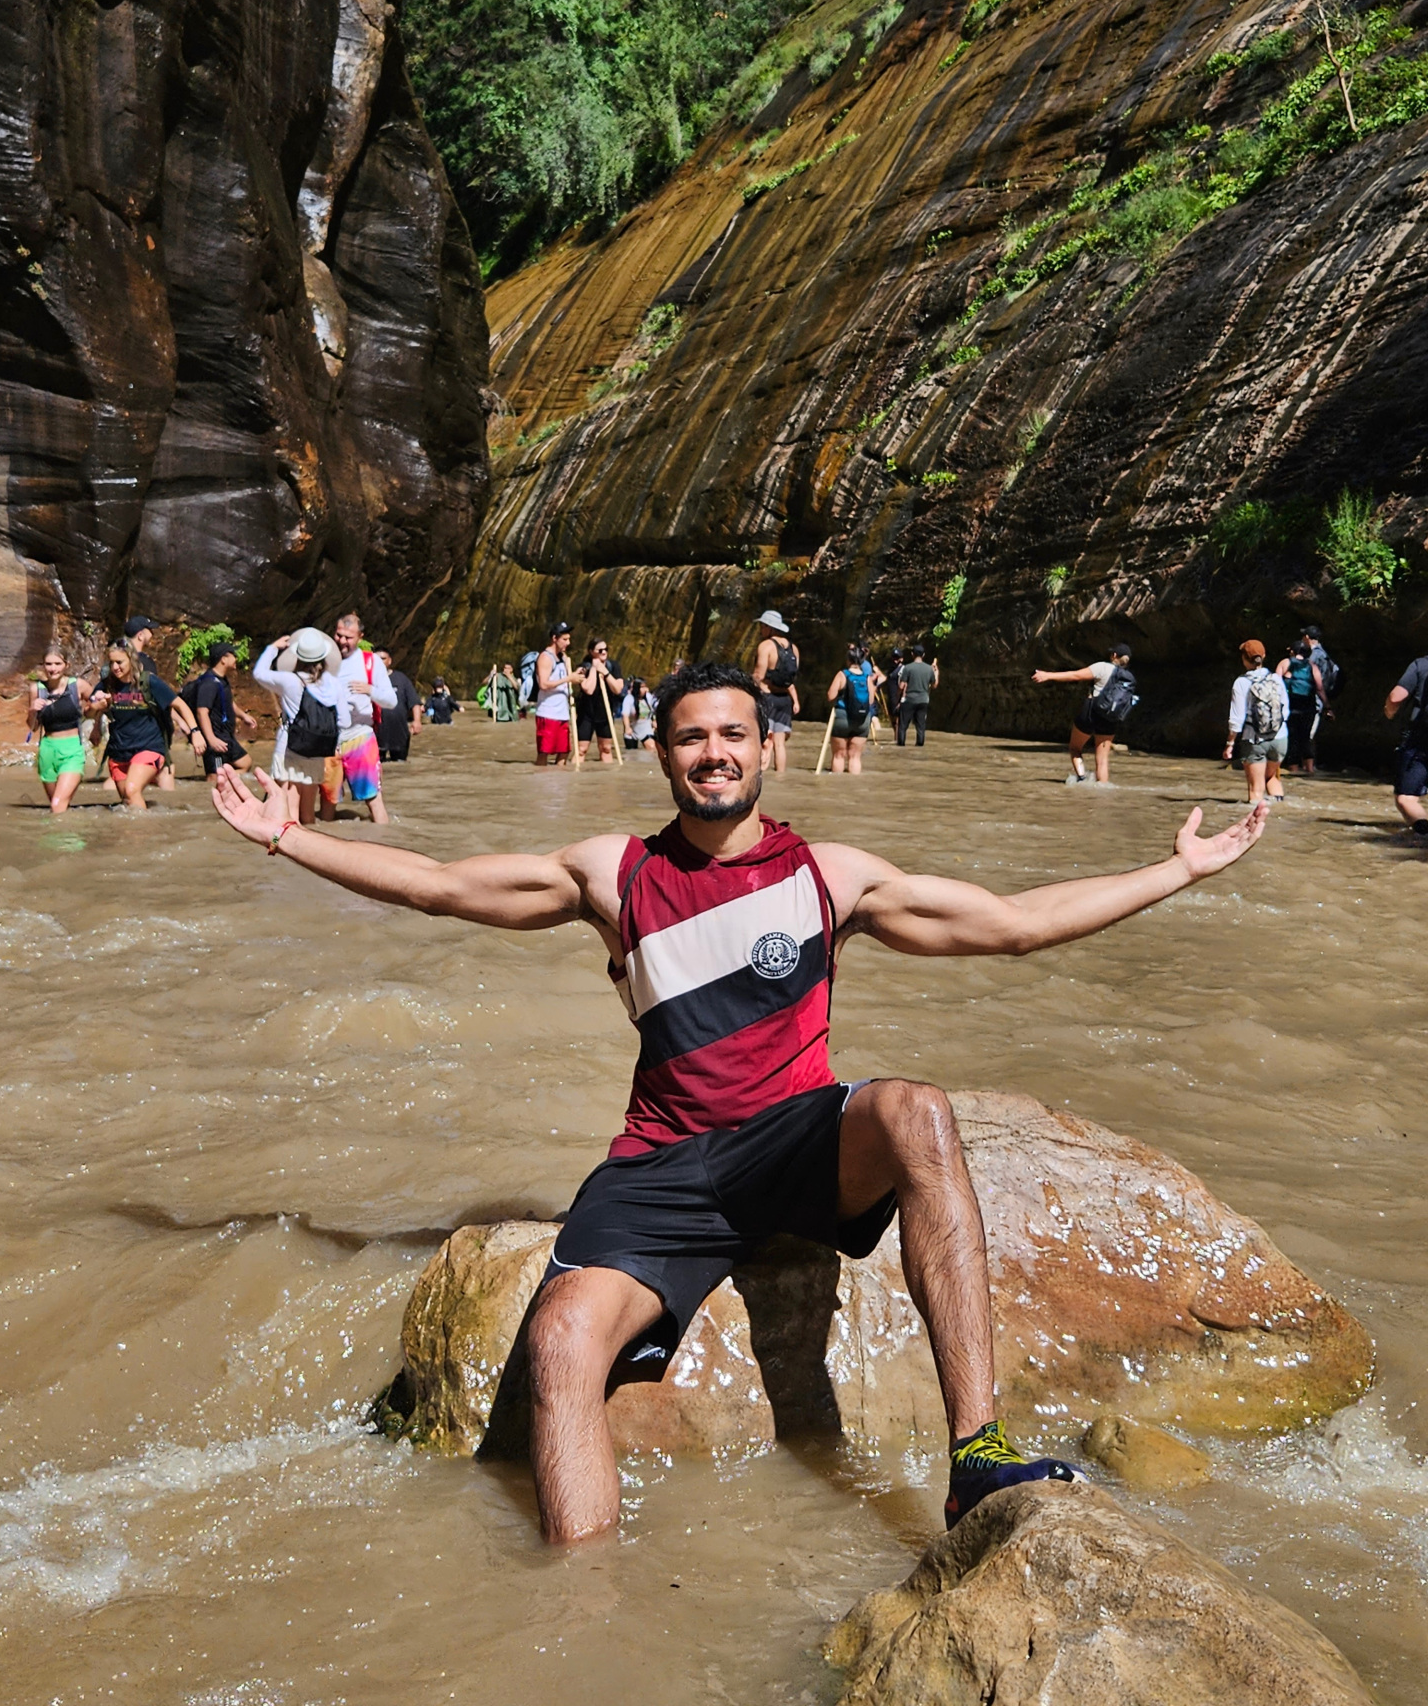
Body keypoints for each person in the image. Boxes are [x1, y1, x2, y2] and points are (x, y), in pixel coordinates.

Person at [208, 661, 1268, 1544]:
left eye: (731, 735)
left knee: (915, 1111)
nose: (712, 753)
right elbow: (442, 887)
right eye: (690, 738)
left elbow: (1015, 924)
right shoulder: (613, 875)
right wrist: (286, 839)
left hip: (794, 1145)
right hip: (661, 1165)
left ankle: (977, 1456)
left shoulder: (830, 877)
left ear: (766, 749)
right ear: (661, 755)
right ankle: (581, 1617)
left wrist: (1176, 872)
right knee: (563, 1336)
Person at [88, 640, 201, 810]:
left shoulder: (149, 682)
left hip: (149, 746)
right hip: (119, 750)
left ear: (131, 659)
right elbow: (88, 713)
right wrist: (95, 707)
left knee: (132, 790)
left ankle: (142, 827)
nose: (115, 667)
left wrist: (195, 731)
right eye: (111, 663)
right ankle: (144, 824)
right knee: (127, 800)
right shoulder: (107, 684)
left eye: (119, 662)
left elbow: (180, 705)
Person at [253, 628, 346, 825]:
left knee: (289, 810)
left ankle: (281, 843)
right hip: (318, 750)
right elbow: (344, 721)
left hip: (290, 747)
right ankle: (309, 842)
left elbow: (259, 673)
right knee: (308, 814)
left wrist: (272, 648)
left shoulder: (290, 680)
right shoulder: (334, 683)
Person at [319, 611, 396, 824]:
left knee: (373, 798)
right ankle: (323, 838)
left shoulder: (371, 662)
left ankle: (384, 839)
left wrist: (370, 690)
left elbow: (391, 701)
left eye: (348, 637)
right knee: (328, 799)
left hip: (359, 736)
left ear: (360, 637)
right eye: (339, 635)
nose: (342, 641)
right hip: (329, 739)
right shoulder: (324, 661)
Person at [1030, 646, 1135, 785]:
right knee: (1102, 760)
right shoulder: (1129, 678)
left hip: (1091, 713)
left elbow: (1075, 675)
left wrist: (1048, 675)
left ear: (1114, 655)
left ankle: (1081, 778)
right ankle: (1102, 789)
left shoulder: (1102, 667)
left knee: (1075, 748)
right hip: (1110, 719)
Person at [123, 615, 194, 789]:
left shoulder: (119, 660)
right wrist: (181, 722)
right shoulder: (145, 662)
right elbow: (156, 697)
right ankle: (168, 801)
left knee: (127, 772)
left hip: (125, 729)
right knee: (165, 769)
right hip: (149, 729)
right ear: (140, 635)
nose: (152, 634)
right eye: (149, 630)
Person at [25, 646, 96, 811]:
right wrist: (32, 710)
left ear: (66, 665)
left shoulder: (78, 685)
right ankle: (68, 828)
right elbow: (33, 727)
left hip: (72, 750)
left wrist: (96, 727)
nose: (53, 668)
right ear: (43, 666)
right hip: (47, 751)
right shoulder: (36, 689)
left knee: (57, 805)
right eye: (48, 664)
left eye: (57, 664)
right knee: (58, 806)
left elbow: (99, 705)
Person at [1224, 639, 1287, 803]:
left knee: (1256, 790)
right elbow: (1285, 711)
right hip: (1280, 739)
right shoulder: (1276, 678)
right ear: (1264, 656)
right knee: (1271, 777)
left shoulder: (1241, 683)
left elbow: (1237, 719)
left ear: (1244, 659)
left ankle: (1256, 817)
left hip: (1255, 740)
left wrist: (1230, 744)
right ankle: (1281, 811)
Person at [195, 642, 257, 777]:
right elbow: (202, 712)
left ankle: (227, 782)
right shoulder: (209, 683)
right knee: (215, 776)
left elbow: (229, 702)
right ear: (223, 659)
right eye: (233, 655)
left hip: (226, 736)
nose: (236, 658)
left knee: (245, 763)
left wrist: (243, 716)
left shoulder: (221, 680)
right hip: (216, 739)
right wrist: (211, 739)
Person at [1383, 651, 1428, 835]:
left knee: (1406, 798)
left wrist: (1389, 711)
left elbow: (1395, 698)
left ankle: (1424, 833)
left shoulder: (1421, 665)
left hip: (1421, 739)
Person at [751, 611, 800, 775]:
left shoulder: (766, 646)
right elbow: (792, 678)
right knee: (779, 744)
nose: (760, 629)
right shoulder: (794, 649)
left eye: (762, 626)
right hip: (784, 699)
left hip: (767, 697)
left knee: (764, 739)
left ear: (769, 627)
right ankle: (780, 777)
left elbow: (759, 675)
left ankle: (760, 777)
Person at [826, 644, 884, 775]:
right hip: (862, 720)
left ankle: (836, 784)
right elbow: (871, 701)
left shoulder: (842, 675)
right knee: (855, 757)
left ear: (848, 660)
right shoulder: (867, 677)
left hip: (843, 718)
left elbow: (830, 696)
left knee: (839, 755)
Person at [1275, 641, 1324, 774]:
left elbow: (1275, 685)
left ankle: (1294, 770)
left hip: (1291, 707)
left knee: (1292, 738)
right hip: (1308, 708)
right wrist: (1328, 707)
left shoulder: (1285, 663)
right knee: (1306, 737)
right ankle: (1310, 770)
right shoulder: (1312, 666)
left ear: (1292, 651)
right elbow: (1319, 688)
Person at [574, 639, 625, 764]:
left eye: (606, 649)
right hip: (586, 713)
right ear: (591, 652)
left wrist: (605, 672)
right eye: (600, 650)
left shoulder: (613, 666)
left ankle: (607, 775)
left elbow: (618, 689)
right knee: (581, 749)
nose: (604, 652)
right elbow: (589, 689)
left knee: (606, 748)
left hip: (605, 713)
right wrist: (594, 668)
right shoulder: (583, 667)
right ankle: (576, 772)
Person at [535, 622, 575, 766]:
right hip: (548, 713)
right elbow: (543, 684)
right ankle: (541, 776)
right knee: (544, 752)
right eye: (565, 639)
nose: (568, 643)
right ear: (554, 638)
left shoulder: (563, 657)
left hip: (562, 713)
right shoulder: (545, 657)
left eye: (569, 639)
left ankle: (559, 777)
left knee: (564, 752)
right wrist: (569, 678)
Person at [376, 651, 424, 762]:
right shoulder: (367, 679)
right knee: (376, 765)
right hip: (376, 733)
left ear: (389, 661)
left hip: (399, 732)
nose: (379, 662)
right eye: (376, 659)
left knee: (400, 764)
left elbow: (414, 702)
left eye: (383, 658)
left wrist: (417, 721)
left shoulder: (401, 679)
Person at [1301, 624, 1337, 769]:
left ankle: (1308, 768)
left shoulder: (1314, 656)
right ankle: (1309, 766)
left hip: (1313, 699)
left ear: (1307, 637)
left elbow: (1316, 682)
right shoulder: (1325, 654)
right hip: (1319, 700)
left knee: (1308, 735)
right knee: (1310, 734)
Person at [896, 645, 939, 747]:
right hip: (923, 700)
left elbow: (901, 686)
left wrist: (898, 696)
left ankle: (901, 745)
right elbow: (934, 685)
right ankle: (919, 745)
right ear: (923, 655)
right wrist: (936, 673)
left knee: (903, 726)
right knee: (920, 726)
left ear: (912, 654)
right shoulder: (929, 669)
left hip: (909, 700)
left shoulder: (907, 668)